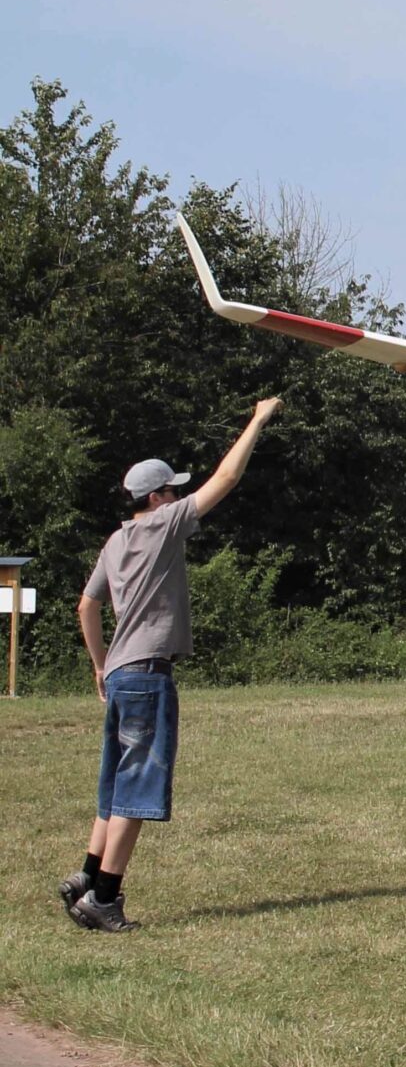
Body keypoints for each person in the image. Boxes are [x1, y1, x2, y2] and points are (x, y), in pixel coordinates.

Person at [61, 399, 283, 932]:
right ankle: (105, 899)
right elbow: (226, 478)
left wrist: (98, 666)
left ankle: (86, 878)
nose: (179, 497)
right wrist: (258, 419)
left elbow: (86, 606)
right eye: (173, 491)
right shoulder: (163, 526)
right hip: (146, 673)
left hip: (118, 673)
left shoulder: (116, 540)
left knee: (116, 781)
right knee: (137, 786)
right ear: (157, 498)